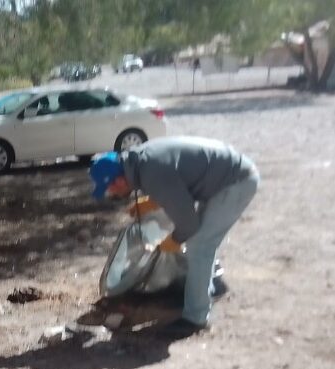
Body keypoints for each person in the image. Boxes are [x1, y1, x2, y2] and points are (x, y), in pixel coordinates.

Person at [89, 136, 259, 337]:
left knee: (200, 244)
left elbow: (189, 224)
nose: (111, 192)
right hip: (221, 178)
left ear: (118, 179)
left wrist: (174, 240)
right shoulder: (138, 161)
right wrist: (152, 202)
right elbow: (176, 185)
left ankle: (195, 318)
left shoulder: (151, 172)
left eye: (110, 187)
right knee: (201, 241)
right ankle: (210, 284)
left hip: (236, 182)